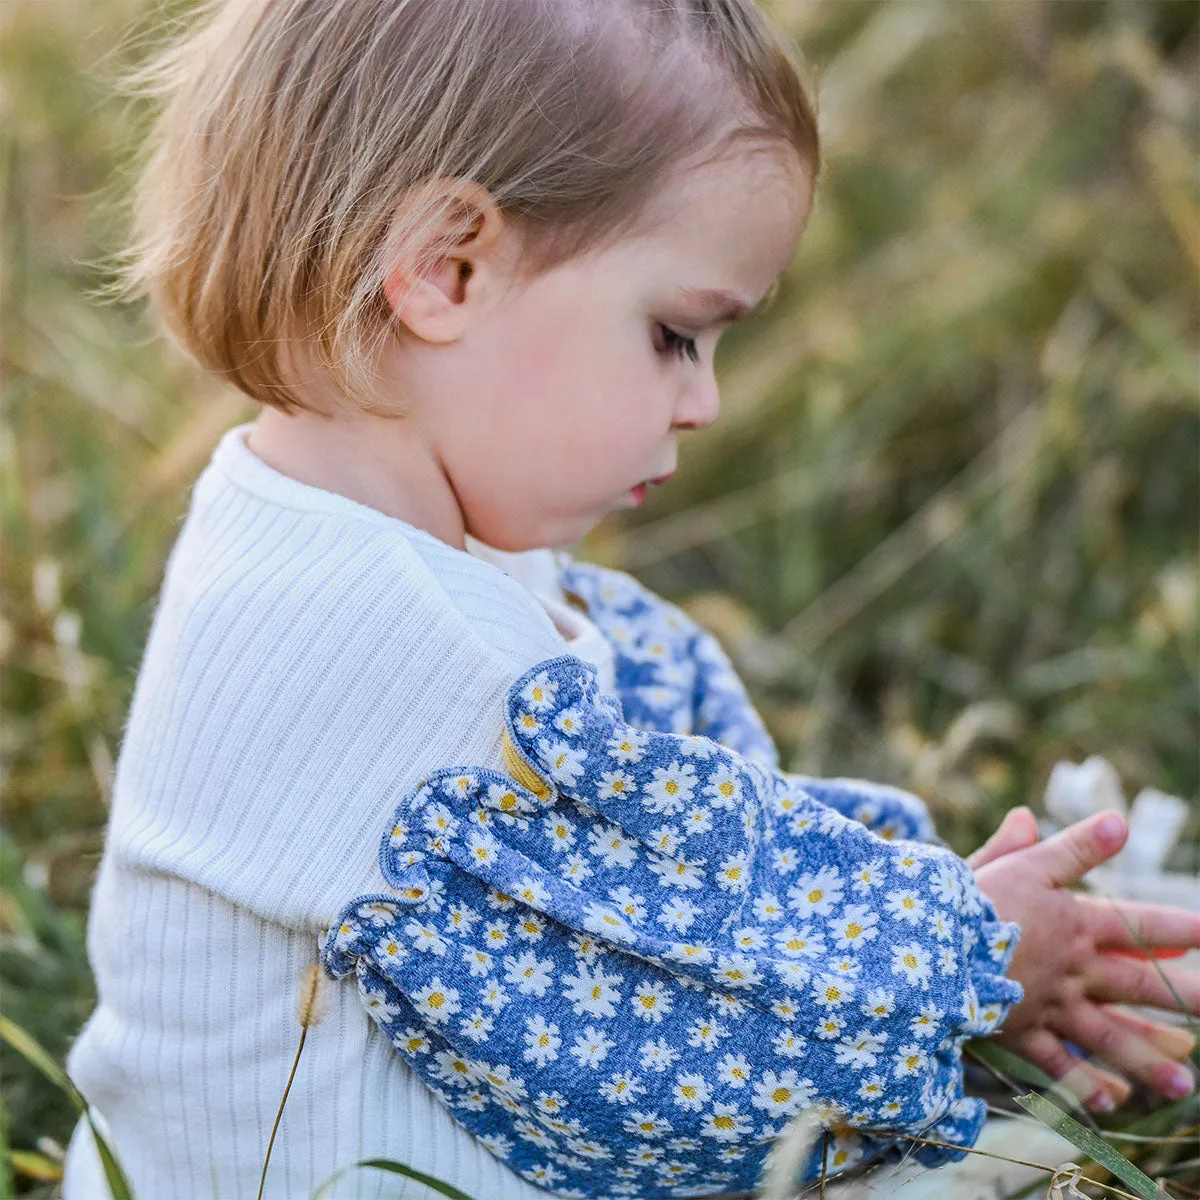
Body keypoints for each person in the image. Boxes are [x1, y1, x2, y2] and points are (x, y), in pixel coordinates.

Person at [63, 0, 1199, 1196]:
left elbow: (687, 868)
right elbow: (667, 1011)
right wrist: (955, 957)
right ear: (446, 270)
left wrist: (922, 904)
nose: (702, 402)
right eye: (674, 335)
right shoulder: (379, 638)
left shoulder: (322, 526)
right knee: (993, 1170)